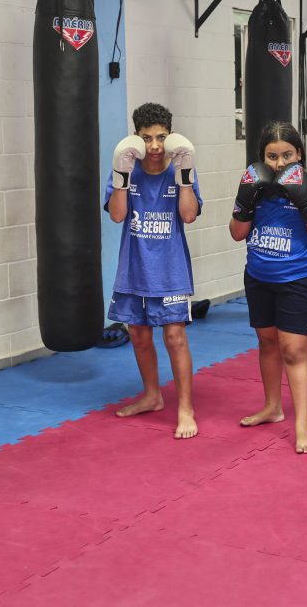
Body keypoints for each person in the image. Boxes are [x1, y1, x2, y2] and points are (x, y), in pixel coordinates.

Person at [229, 121, 307, 454]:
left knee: (293, 350)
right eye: (272, 156)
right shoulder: (255, 187)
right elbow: (236, 232)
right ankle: (272, 406)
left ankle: (302, 425)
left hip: (296, 280)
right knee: (267, 342)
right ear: (262, 157)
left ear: (298, 154)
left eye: (286, 155)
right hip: (259, 276)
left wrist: (306, 201)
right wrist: (245, 200)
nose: (278, 163)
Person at [106, 102, 203, 439]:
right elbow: (117, 215)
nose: (156, 146)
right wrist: (121, 175)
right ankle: (151, 395)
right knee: (138, 334)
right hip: (133, 269)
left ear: (170, 135)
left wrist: (186, 176)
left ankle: (186, 408)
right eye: (147, 138)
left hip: (170, 270)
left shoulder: (179, 168)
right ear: (137, 137)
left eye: (161, 137)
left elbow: (189, 215)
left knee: (174, 337)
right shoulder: (126, 168)